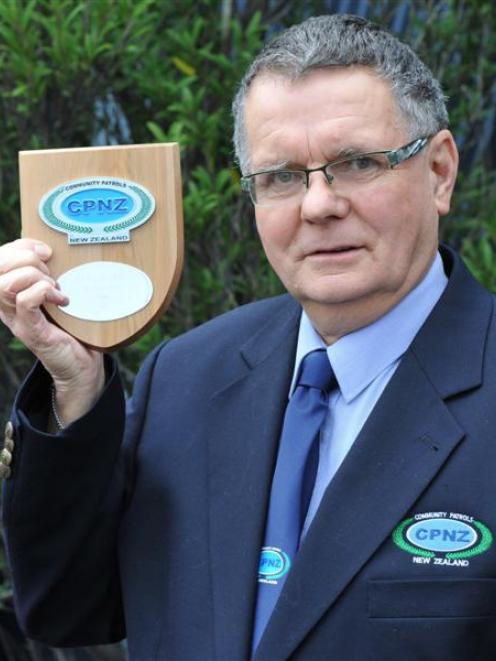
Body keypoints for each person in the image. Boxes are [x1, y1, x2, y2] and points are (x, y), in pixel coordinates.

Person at [1, 13, 496, 661]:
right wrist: (75, 383)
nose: (318, 205)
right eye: (282, 176)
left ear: (439, 171)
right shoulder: (188, 375)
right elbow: (69, 607)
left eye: (355, 163)